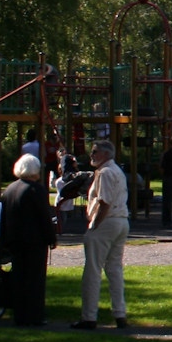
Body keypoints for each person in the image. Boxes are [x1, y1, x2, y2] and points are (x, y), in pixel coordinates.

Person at [74, 141, 129, 330]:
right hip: (121, 220)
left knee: (93, 270)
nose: (92, 155)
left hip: (107, 221)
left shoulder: (105, 173)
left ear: (106, 154)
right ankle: (120, 314)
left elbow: (104, 201)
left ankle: (89, 316)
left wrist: (94, 225)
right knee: (114, 269)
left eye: (95, 152)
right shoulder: (117, 171)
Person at [0, 154, 58, 326]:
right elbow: (43, 216)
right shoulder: (36, 189)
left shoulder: (9, 190)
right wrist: (51, 237)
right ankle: (35, 315)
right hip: (34, 241)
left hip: (15, 240)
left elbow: (3, 218)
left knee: (19, 277)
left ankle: (20, 314)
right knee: (35, 279)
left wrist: (4, 240)